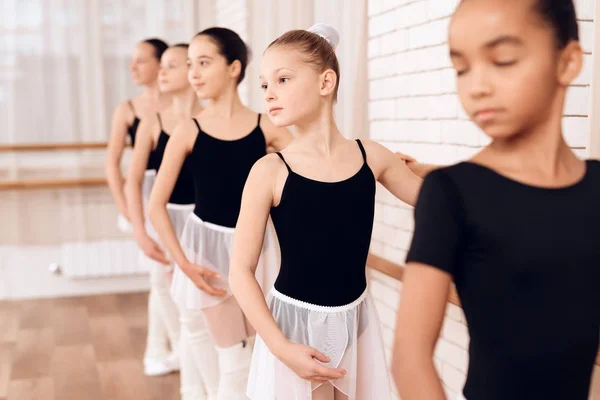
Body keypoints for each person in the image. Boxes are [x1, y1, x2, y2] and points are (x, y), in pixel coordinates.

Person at [392, 1, 599, 399]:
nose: (476, 86)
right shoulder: (452, 193)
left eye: (502, 60)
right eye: (462, 68)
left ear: (568, 61)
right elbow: (409, 358)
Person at [228, 24, 423, 400]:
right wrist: (280, 348)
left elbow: (430, 198)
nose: (270, 94)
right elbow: (239, 271)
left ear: (325, 82)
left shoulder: (372, 156)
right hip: (295, 328)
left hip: (355, 319)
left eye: (283, 79)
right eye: (265, 85)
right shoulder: (269, 170)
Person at [147, 27, 293, 399]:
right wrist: (184, 263)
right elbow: (156, 204)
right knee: (233, 363)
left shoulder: (267, 127)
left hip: (258, 252)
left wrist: (375, 161)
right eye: (191, 64)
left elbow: (317, 163)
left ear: (233, 68)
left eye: (204, 62)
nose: (194, 73)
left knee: (262, 358)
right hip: (206, 252)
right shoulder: (188, 130)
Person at [126, 43, 210, 396]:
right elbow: (133, 180)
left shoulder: (211, 122)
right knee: (172, 306)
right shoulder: (153, 121)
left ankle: (205, 385)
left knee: (200, 313)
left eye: (173, 65)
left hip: (203, 225)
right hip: (165, 223)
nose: (162, 71)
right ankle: (191, 385)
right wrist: (141, 233)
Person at [105, 38, 176, 376]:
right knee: (159, 274)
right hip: (143, 199)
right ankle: (166, 350)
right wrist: (127, 211)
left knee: (163, 277)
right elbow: (113, 164)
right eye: (131, 61)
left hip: (178, 199)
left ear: (160, 64)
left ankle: (160, 350)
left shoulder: (179, 106)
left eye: (140, 61)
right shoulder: (128, 109)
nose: (133, 68)